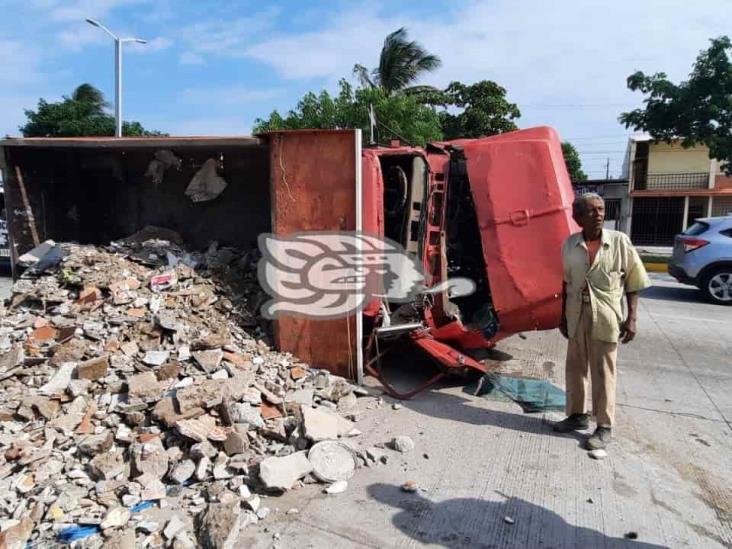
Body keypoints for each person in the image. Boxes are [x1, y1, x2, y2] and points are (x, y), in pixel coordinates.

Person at [554, 193, 651, 450]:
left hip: (606, 317)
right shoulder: (570, 245)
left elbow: (634, 282)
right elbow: (566, 284)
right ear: (578, 218)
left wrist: (632, 318)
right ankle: (576, 416)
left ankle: (604, 426)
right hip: (576, 314)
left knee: (604, 372)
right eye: (591, 211)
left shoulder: (620, 242)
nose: (598, 214)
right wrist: (562, 316)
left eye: (601, 209)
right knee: (575, 368)